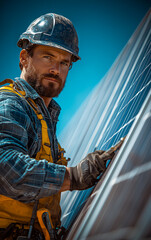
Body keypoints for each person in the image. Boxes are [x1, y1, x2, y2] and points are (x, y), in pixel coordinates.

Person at [0, 13, 116, 239]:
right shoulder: (11, 103)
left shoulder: (44, 116)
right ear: (25, 57)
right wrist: (72, 176)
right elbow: (5, 167)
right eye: (48, 57)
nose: (56, 68)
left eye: (64, 62)